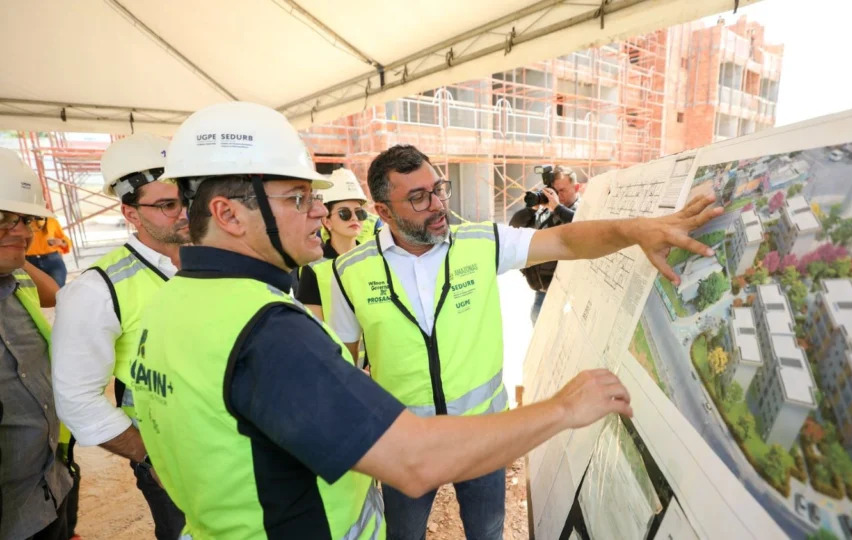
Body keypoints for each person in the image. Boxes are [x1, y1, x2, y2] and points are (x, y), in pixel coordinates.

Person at [130, 101, 634, 540]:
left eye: (439, 189)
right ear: (229, 214)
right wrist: (564, 408)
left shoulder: (172, 303)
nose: (318, 215)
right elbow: (413, 461)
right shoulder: (270, 330)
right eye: (299, 199)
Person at [329, 145, 720, 540]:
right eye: (417, 197)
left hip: (485, 437)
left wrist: (636, 231)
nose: (436, 205)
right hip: (405, 443)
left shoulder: (482, 242)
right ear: (383, 211)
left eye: (439, 189)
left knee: (487, 532)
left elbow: (566, 241)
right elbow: (344, 366)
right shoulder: (348, 272)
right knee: (402, 535)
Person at [50, 133, 188, 540]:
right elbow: (76, 398)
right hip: (174, 460)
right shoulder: (98, 289)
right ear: (131, 213)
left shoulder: (222, 262)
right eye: (166, 204)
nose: (183, 212)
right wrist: (149, 456)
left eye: (186, 198)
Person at [0, 148, 74, 540]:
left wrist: (13, 247)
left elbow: (55, 294)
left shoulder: (18, 282)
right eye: (2, 219)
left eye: (25, 220)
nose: (25, 232)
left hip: (48, 489)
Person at [296, 168, 369, 322]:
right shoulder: (313, 267)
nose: (354, 218)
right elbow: (315, 324)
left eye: (359, 212)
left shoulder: (374, 258)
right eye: (344, 213)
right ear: (327, 222)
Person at [525, 166, 581, 325]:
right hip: (543, 288)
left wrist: (557, 208)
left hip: (568, 291)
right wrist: (532, 210)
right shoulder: (548, 210)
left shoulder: (582, 210)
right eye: (554, 192)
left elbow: (580, 226)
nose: (558, 196)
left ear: (576, 188)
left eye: (562, 190)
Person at [26, 216, 72, 287]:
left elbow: (64, 239)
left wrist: (61, 242)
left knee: (57, 291)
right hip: (30, 263)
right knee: (36, 293)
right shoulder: (23, 221)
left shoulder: (51, 221)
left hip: (52, 260)